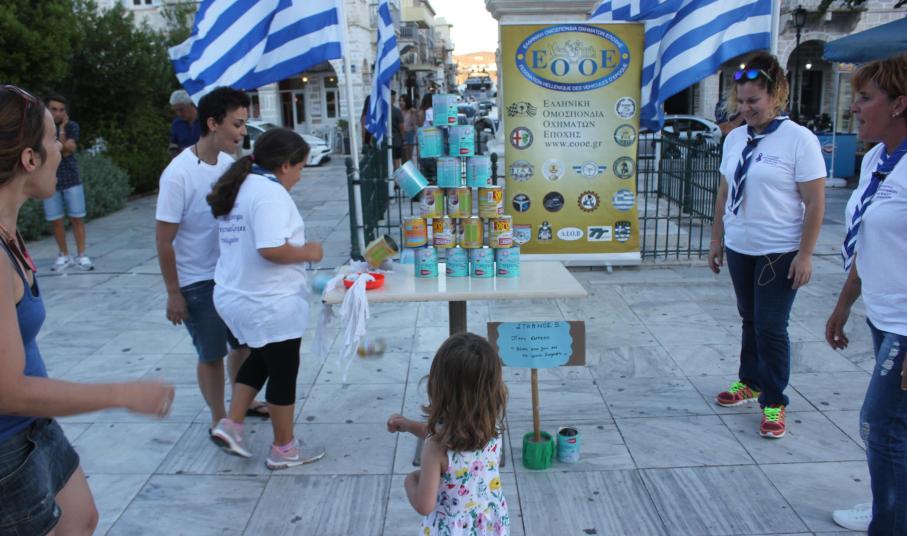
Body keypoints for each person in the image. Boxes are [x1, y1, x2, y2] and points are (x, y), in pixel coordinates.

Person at [0, 84, 174, 536]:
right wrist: (121, 394)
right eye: (52, 138)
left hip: (34, 426)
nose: (61, 147)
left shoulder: (9, 233)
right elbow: (7, 391)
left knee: (81, 517)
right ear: (30, 159)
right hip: (7, 444)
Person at [708, 52, 826, 439]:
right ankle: (750, 381)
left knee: (771, 326)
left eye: (753, 101)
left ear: (776, 96)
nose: (745, 109)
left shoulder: (799, 140)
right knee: (750, 319)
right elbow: (724, 192)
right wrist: (717, 240)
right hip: (741, 245)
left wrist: (805, 254)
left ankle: (774, 399)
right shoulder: (735, 137)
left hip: (779, 249)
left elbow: (815, 202)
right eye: (740, 101)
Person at [207, 128, 325, 470]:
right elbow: (271, 248)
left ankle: (232, 424)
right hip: (267, 301)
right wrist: (310, 252)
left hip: (236, 295)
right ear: (285, 165)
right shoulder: (269, 193)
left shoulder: (241, 185)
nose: (300, 176)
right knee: (283, 372)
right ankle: (283, 449)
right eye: (300, 168)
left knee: (260, 358)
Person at [825, 53, 907, 535]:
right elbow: (869, 239)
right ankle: (889, 503)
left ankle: (889, 520)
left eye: (865, 98)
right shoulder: (878, 158)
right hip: (882, 312)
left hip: (904, 326)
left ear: (899, 104)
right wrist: (844, 304)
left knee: (881, 426)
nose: (854, 108)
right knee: (897, 428)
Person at [156, 87, 268, 438]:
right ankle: (219, 419)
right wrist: (174, 293)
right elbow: (163, 240)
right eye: (237, 124)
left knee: (244, 345)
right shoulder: (178, 174)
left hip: (230, 275)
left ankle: (242, 404)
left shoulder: (227, 165)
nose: (243, 132)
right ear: (212, 123)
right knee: (211, 353)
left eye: (244, 124)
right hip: (197, 281)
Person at [387, 332, 509, 535]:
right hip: (487, 523)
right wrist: (409, 426)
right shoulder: (492, 427)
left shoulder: (435, 448)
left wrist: (411, 480)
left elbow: (424, 505)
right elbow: (451, 437)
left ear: (439, 388)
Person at [42, 94, 93, 271]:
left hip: (71, 178)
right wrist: (61, 146)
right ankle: (64, 255)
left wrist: (62, 129)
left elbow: (68, 149)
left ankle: (81, 255)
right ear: (47, 110)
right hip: (49, 179)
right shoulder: (40, 128)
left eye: (61, 110)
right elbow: (49, 150)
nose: (57, 113)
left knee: (77, 217)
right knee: (55, 219)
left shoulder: (72, 126)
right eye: (54, 109)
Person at [169, 89, 200, 159]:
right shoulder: (176, 124)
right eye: (175, 110)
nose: (179, 113)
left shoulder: (206, 120)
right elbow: (173, 145)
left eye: (181, 109)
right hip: (187, 161)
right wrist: (176, 158)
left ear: (191, 104)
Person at [401, 94, 418, 163]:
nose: (401, 103)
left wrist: (416, 136)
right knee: (403, 157)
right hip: (402, 134)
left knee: (408, 156)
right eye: (400, 101)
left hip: (409, 133)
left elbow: (414, 124)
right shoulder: (400, 111)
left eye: (403, 101)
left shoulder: (412, 111)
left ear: (407, 102)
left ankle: (409, 168)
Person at [391, 90, 404, 170]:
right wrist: (403, 138)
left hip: (385, 141)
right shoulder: (396, 111)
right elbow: (401, 126)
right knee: (397, 161)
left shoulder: (381, 111)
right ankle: (397, 176)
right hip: (396, 140)